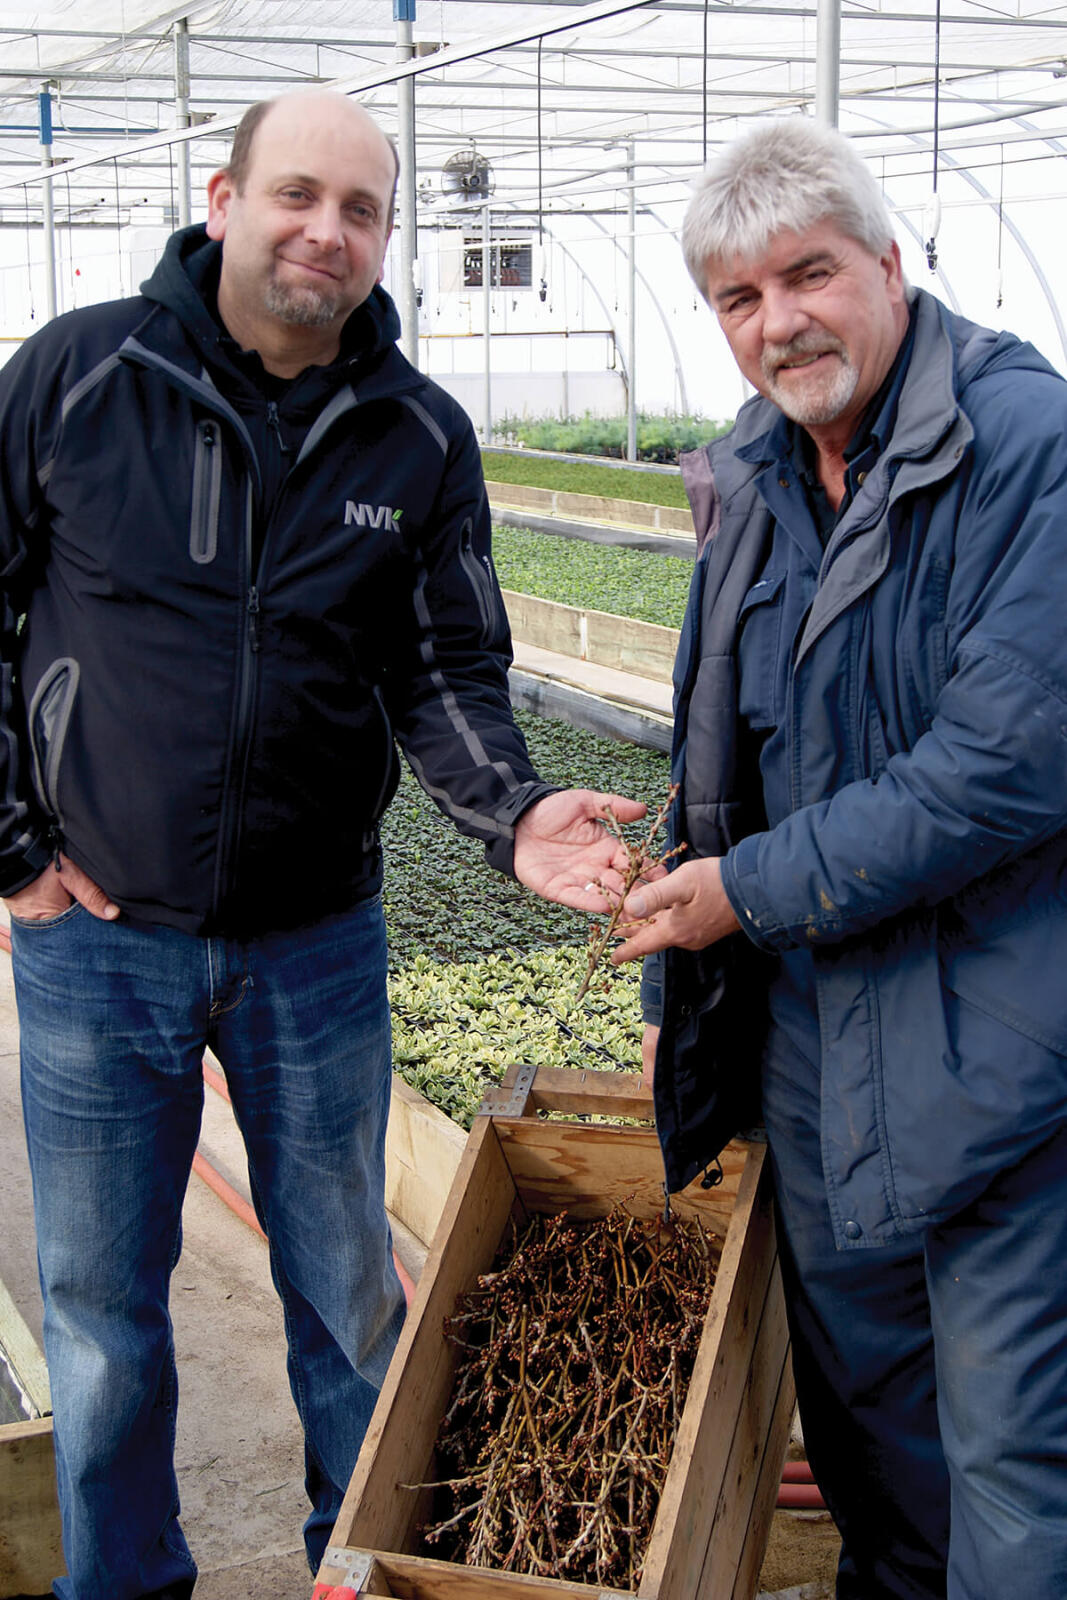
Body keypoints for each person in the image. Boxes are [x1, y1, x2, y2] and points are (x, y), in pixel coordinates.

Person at [0, 90, 646, 1600]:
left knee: (353, 1299)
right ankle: (126, 1583)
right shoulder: (80, 376)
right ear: (223, 198)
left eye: (362, 210)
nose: (328, 231)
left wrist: (514, 813)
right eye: (298, 194)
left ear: (385, 238)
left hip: (319, 947)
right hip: (99, 941)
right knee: (102, 1317)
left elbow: (448, 668)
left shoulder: (418, 435)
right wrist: (11, 846)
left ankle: (358, 1576)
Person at [613, 118, 1067, 1599]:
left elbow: (1004, 767)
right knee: (874, 1452)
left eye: (808, 276)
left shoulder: (1028, 450)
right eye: (738, 300)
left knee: (1014, 1470)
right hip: (818, 1058)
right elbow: (724, 757)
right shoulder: (750, 476)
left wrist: (741, 892)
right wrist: (676, 927)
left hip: (1004, 1056)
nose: (777, 322)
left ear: (888, 263)